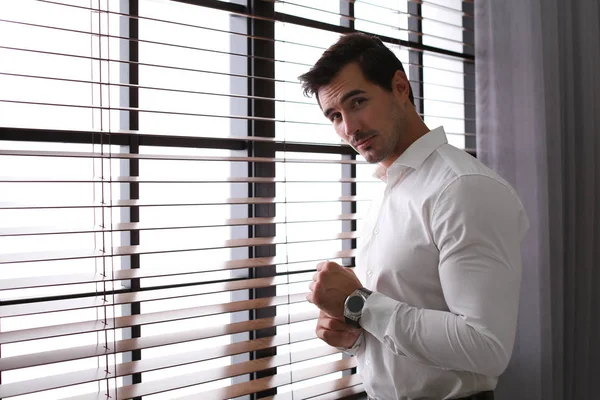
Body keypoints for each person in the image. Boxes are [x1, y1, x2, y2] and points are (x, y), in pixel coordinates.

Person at [301, 33, 529, 400]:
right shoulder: (391, 190)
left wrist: (357, 302)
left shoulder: (463, 188)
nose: (349, 128)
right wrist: (352, 335)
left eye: (357, 101)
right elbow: (401, 326)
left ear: (400, 87)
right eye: (335, 116)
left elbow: (487, 348)